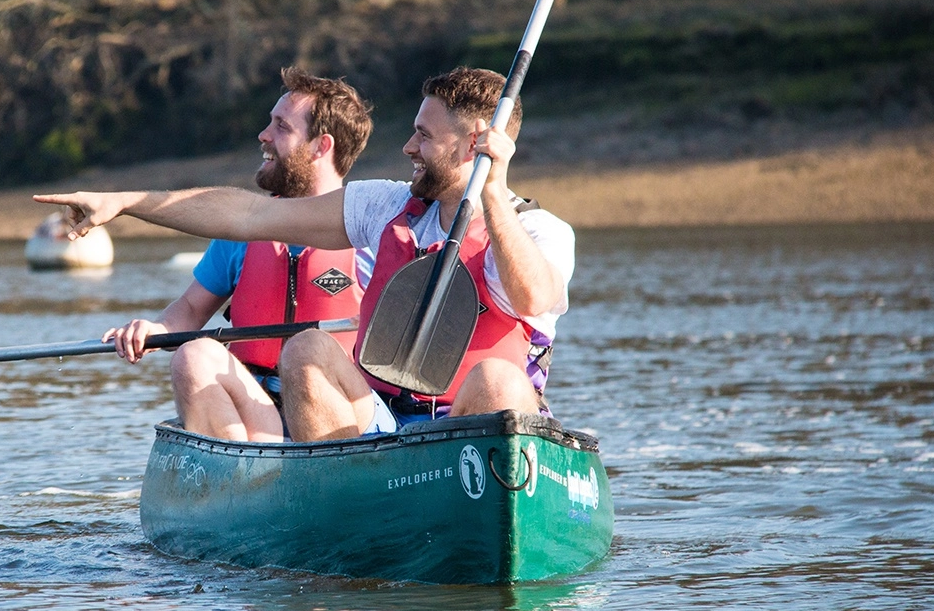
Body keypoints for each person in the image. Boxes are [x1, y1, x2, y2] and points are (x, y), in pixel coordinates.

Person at [36, 66, 575, 442]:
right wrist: (125, 202)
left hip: (480, 438)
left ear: (472, 144)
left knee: (499, 381)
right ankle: (338, 507)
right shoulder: (385, 205)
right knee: (305, 349)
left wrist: (492, 190)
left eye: (422, 136)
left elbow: (531, 295)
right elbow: (246, 215)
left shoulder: (543, 231)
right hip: (386, 423)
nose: (408, 148)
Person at [102, 67, 375, 442]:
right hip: (258, 409)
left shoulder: (371, 235)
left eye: (281, 127)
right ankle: (251, 481)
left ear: (320, 146)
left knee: (308, 353)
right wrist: (156, 331)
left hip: (337, 410)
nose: (263, 136)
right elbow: (191, 309)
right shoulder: (242, 234)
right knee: (192, 355)